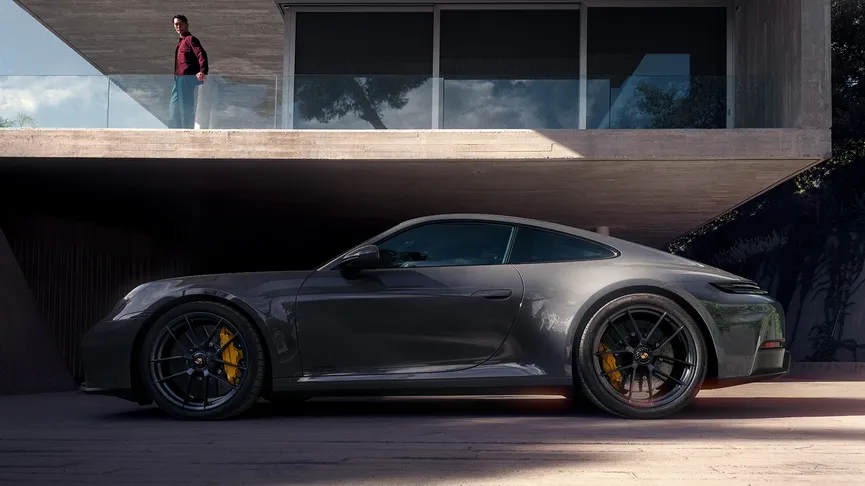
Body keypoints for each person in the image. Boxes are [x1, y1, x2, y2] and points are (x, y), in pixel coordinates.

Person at [168, 14, 209, 129]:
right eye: (176, 24)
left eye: (181, 24)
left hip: (186, 79)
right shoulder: (181, 42)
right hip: (178, 80)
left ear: (187, 25)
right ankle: (173, 131)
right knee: (173, 109)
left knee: (185, 107)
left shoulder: (191, 39)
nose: (178, 26)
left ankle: (187, 131)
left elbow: (201, 54)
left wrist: (202, 71)